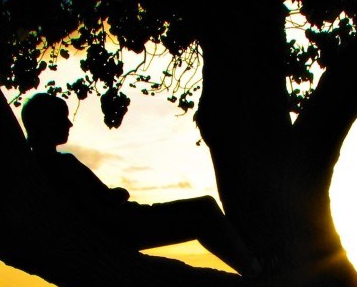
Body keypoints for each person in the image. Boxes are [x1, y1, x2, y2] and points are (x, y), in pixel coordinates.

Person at [20, 93, 261, 276]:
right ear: (46, 123)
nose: (69, 124)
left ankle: (251, 264)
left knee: (202, 213)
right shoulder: (59, 165)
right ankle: (254, 269)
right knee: (204, 210)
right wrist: (116, 195)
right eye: (62, 118)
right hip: (124, 226)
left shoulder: (42, 167)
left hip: (123, 222)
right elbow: (96, 204)